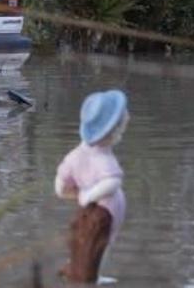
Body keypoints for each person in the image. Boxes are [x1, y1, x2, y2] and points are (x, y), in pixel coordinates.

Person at [54, 89, 128, 283]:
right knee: (97, 245)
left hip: (92, 211)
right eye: (120, 127)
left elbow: (60, 185)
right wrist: (89, 195)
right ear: (112, 131)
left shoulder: (75, 155)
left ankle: (80, 269)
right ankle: (89, 277)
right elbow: (113, 182)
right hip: (104, 214)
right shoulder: (103, 159)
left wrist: (74, 194)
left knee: (85, 242)